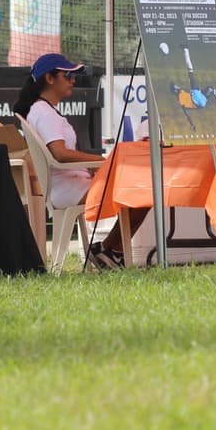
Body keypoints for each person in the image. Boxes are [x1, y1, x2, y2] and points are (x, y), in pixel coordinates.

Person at [15, 53, 145, 270]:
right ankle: (108, 251)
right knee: (141, 192)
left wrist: (96, 166)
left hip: (68, 184)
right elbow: (60, 154)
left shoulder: (42, 110)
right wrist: (102, 161)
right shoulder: (44, 112)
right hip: (68, 189)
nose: (73, 80)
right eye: (68, 75)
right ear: (49, 78)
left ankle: (108, 251)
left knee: (139, 192)